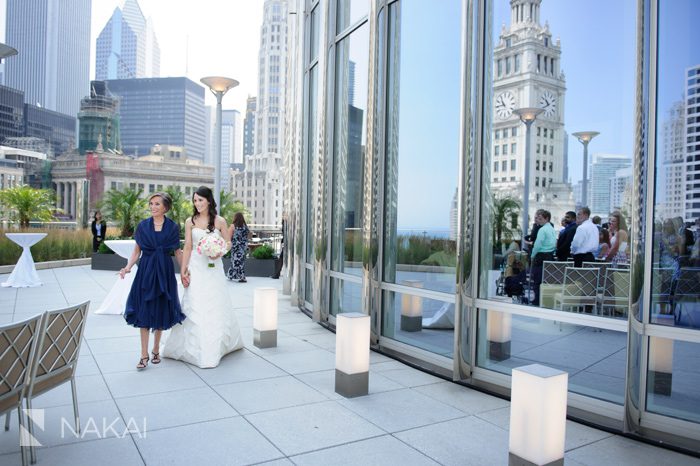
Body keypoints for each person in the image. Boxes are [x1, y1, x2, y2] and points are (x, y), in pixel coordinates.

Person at [162, 186, 244, 368]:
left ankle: (215, 346)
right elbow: (189, 247)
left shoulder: (220, 221)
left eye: (200, 200)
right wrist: (183, 269)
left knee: (215, 303)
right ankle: (193, 347)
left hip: (213, 268)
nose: (197, 204)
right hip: (196, 267)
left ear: (208, 201)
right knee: (195, 303)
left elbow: (228, 242)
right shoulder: (190, 221)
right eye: (195, 200)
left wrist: (220, 251)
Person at [120, 193, 185, 370]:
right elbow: (136, 252)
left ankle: (156, 349)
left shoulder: (172, 227)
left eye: (157, 204)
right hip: (146, 271)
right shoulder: (142, 226)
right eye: (151, 203)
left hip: (164, 271)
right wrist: (127, 267)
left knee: (161, 310)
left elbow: (178, 252)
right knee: (144, 312)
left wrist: (185, 271)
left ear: (165, 207)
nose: (153, 206)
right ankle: (143, 354)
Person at [530, 210, 556, 305]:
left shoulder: (542, 229)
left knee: (537, 279)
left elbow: (537, 244)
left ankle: (537, 301)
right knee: (547, 279)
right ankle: (546, 300)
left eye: (541, 219)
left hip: (541, 256)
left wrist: (532, 255)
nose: (539, 221)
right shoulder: (552, 229)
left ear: (547, 218)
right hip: (550, 256)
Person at [227, 212, 250, 283]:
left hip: (235, 247)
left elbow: (228, 237)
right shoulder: (245, 226)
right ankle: (230, 275)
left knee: (236, 262)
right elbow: (248, 236)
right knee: (239, 262)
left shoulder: (233, 226)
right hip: (243, 247)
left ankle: (242, 277)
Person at [271, 214, 286, 279]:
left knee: (281, 258)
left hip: (286, 243)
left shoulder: (285, 223)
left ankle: (277, 274)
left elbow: (284, 231)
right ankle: (277, 274)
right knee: (281, 258)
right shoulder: (286, 223)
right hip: (287, 242)